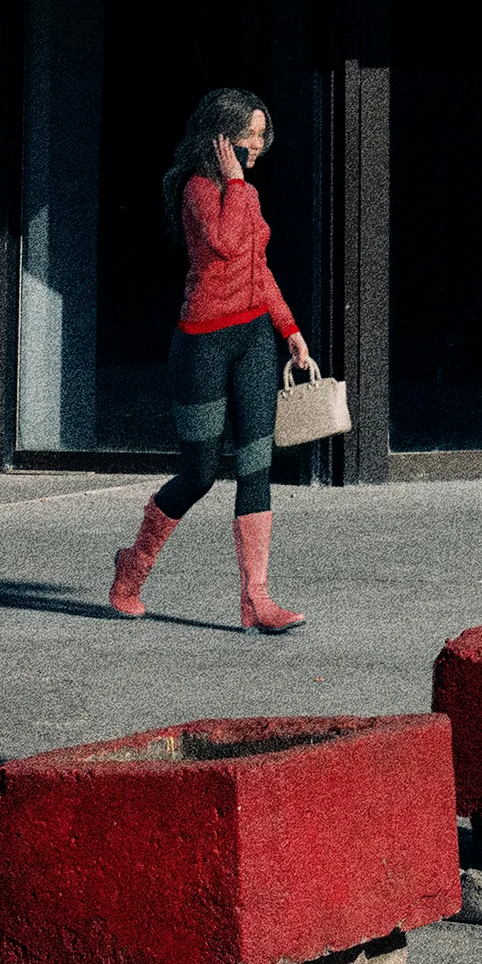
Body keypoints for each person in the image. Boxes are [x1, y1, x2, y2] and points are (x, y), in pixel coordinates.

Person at [108, 85, 320, 633]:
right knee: (200, 471)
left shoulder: (237, 189)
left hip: (253, 339)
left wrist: (290, 329)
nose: (258, 142)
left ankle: (257, 597)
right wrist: (238, 185)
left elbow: (257, 267)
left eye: (261, 133)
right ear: (221, 137)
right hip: (202, 343)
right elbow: (226, 244)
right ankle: (132, 568)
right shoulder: (201, 190)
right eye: (250, 132)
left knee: (256, 466)